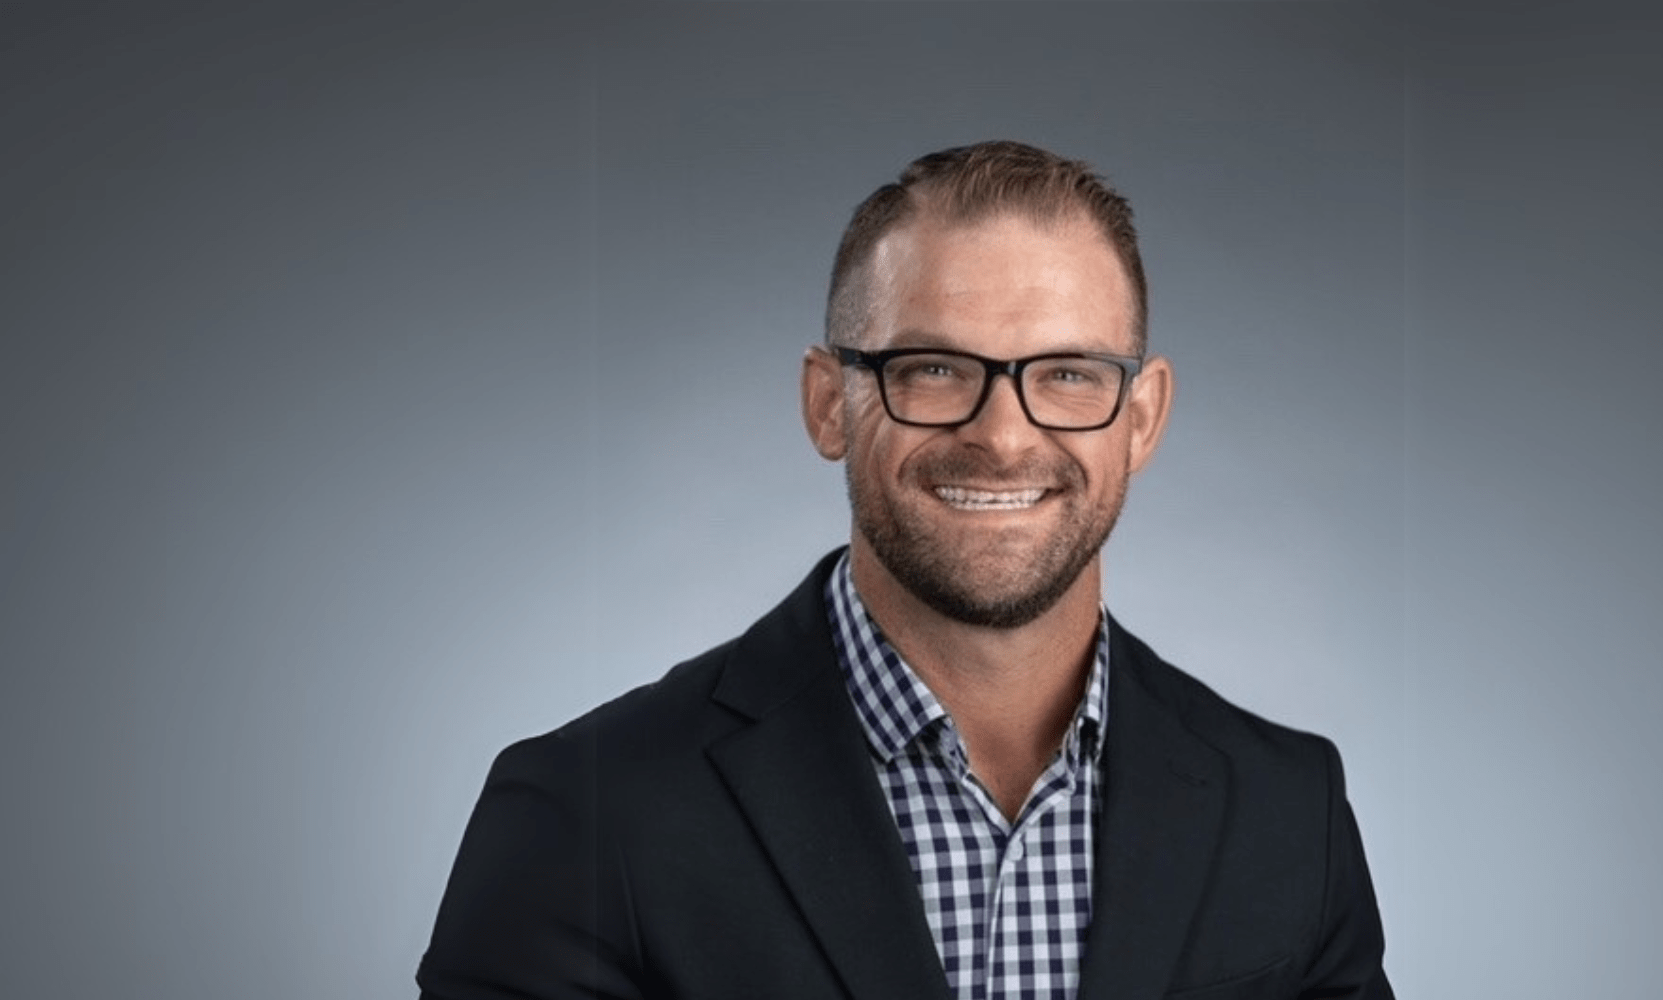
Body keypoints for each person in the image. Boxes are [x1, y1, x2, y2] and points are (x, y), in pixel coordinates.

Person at [417, 140, 1393, 1000]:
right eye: (931, 368)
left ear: (1139, 419)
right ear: (828, 404)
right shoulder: (587, 814)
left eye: (1066, 374)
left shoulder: (1283, 809)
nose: (1003, 437)